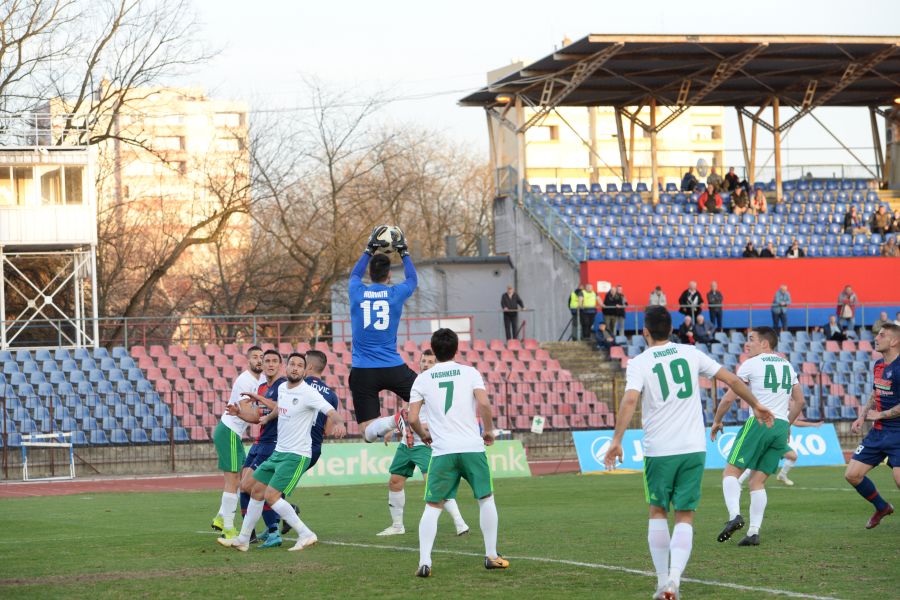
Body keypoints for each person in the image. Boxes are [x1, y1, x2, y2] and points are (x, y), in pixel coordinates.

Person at [604, 306, 773, 600]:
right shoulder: (691, 353)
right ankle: (674, 582)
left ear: (645, 332)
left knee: (657, 511)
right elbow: (732, 380)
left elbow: (631, 399)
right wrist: (756, 404)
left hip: (659, 450)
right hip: (694, 449)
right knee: (685, 515)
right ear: (671, 330)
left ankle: (660, 583)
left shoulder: (640, 362)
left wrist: (617, 439)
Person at [218, 353, 348, 552]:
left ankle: (306, 534)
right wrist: (267, 418)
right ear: (286, 368)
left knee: (271, 495)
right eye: (292, 364)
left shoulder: (309, 393)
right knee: (256, 490)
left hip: (296, 455)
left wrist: (339, 423)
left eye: (299, 365)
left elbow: (331, 412)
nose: (295, 368)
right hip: (278, 452)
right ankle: (243, 539)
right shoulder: (282, 388)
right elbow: (280, 408)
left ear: (305, 371)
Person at [408, 328, 508, 577]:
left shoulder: (422, 379)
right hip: (472, 448)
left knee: (432, 506)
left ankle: (424, 562)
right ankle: (491, 555)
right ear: (456, 349)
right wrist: (489, 431)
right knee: (485, 499)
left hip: (442, 452)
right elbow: (484, 403)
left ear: (434, 348)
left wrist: (423, 434)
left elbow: (412, 418)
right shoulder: (470, 372)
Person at [711, 327, 804, 546]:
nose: (747, 344)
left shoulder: (752, 363)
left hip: (760, 422)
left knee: (731, 472)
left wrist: (717, 420)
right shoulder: (788, 365)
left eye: (751, 339)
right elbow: (799, 401)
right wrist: (786, 425)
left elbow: (728, 398)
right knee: (757, 482)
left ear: (765, 344)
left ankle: (734, 515)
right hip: (780, 425)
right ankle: (753, 532)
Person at [377, 349, 469, 537]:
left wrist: (427, 427)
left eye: (430, 362)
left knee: (434, 484)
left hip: (426, 444)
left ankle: (460, 523)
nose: (425, 364)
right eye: (423, 361)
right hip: (407, 444)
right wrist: (393, 429)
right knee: (395, 481)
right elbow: (406, 410)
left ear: (437, 365)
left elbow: (444, 414)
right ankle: (397, 526)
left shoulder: (438, 386)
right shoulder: (415, 384)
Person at [348, 226, 419, 444]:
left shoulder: (356, 291)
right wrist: (404, 252)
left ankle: (391, 421)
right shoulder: (395, 293)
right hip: (392, 366)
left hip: (362, 370)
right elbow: (412, 279)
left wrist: (368, 250)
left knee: (367, 433)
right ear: (389, 276)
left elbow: (354, 274)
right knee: (423, 397)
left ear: (370, 273)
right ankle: (417, 428)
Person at [844, 323, 900, 529]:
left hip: (898, 433)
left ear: (894, 341)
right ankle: (882, 507)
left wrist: (882, 414)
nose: (876, 338)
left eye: (882, 335)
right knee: (852, 474)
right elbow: (875, 392)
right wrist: (862, 416)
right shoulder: (878, 364)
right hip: (878, 433)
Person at [211, 345, 263, 539]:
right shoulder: (244, 381)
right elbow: (245, 412)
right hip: (229, 431)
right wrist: (264, 416)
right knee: (232, 481)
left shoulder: (262, 380)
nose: (259, 360)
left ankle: (220, 518)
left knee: (237, 480)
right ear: (248, 361)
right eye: (255, 357)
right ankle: (228, 528)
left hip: (234, 434)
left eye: (261, 357)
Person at [237, 349, 287, 546]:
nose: (270, 364)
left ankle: (274, 528)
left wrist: (260, 399)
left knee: (253, 487)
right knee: (244, 487)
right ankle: (250, 533)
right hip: (260, 441)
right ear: (263, 365)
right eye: (267, 361)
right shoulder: (262, 387)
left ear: (280, 365)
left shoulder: (283, 385)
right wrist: (238, 413)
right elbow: (257, 416)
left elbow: (280, 406)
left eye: (275, 361)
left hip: (273, 443)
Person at [736, 418, 824, 487]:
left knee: (793, 456)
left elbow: (789, 423)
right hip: (770, 438)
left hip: (778, 440)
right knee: (756, 461)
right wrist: (814, 424)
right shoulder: (779, 407)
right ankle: (739, 482)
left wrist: (788, 434)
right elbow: (795, 422)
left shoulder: (784, 408)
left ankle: (782, 475)